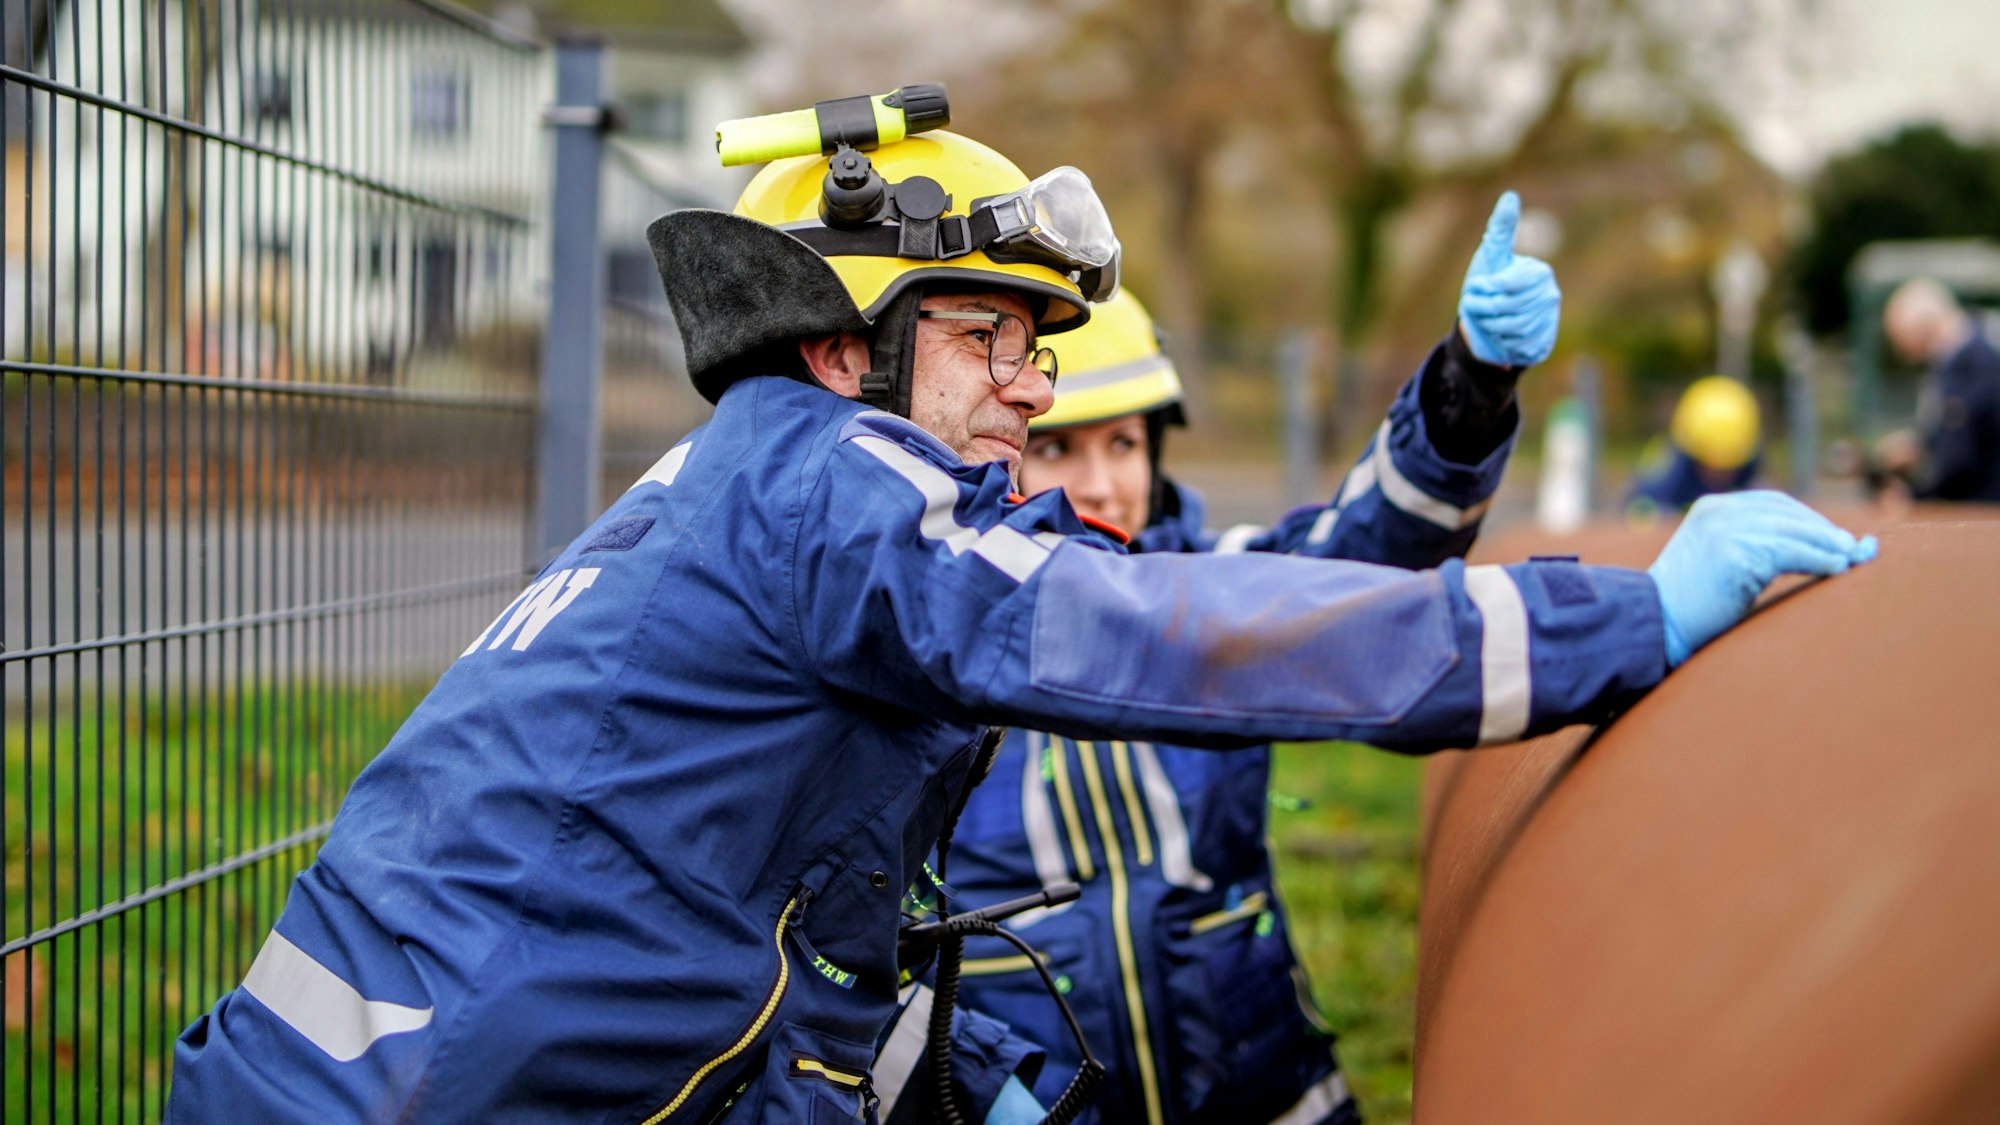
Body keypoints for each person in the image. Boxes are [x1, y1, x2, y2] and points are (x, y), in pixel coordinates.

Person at [167, 119, 1874, 1124]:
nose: (1038, 389)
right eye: (994, 339)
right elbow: (1171, 637)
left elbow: (793, 929)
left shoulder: (737, 498)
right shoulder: (840, 490)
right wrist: (1622, 625)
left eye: (1050, 355)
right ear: (847, 347)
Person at [1874, 277, 2000, 502]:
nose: (1900, 349)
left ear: (1921, 326)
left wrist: (1914, 497)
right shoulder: (1956, 362)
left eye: (1898, 336)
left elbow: (1961, 459)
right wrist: (1921, 443)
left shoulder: (1974, 365)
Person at [1627, 375, 1762, 519]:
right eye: (1710, 464)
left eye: (1728, 467)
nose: (1718, 475)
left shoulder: (1751, 476)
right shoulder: (1669, 469)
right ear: (1690, 453)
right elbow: (1639, 507)